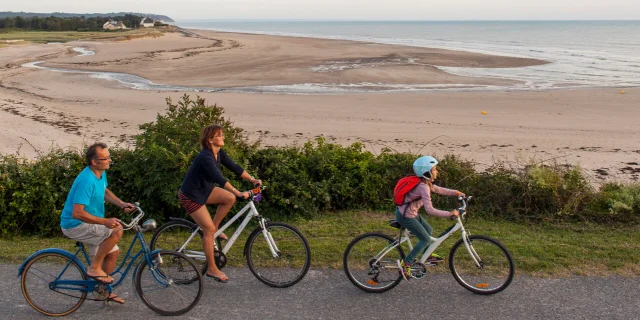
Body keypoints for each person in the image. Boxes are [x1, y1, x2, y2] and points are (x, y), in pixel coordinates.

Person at [179, 124, 261, 283]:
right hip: (191, 195)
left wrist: (252, 179)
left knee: (228, 199)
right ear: (210, 140)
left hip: (205, 190)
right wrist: (238, 193)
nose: (223, 137)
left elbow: (235, 167)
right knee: (208, 229)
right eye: (219, 135)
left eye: (222, 134)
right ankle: (211, 268)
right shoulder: (205, 157)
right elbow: (219, 178)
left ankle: (214, 231)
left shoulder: (218, 153)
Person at [60, 143, 134, 304]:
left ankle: (103, 291)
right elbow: (77, 213)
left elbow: (104, 191)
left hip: (88, 223)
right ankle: (94, 268)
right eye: (105, 158)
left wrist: (121, 204)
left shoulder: (100, 173)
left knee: (112, 252)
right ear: (94, 161)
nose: (110, 160)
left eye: (109, 157)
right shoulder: (86, 180)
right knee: (117, 230)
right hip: (75, 225)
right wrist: (105, 222)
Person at [395, 155, 465, 280]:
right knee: (425, 239)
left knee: (428, 230)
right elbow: (430, 210)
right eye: (434, 169)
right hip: (406, 216)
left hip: (409, 213)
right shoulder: (423, 187)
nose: (437, 171)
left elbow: (438, 189)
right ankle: (406, 263)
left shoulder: (425, 183)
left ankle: (427, 254)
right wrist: (449, 213)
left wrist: (455, 192)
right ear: (427, 172)